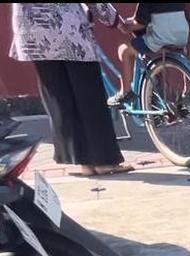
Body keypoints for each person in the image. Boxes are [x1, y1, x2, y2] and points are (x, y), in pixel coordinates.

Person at [9, 3, 131, 176]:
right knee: (90, 97)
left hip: (33, 31)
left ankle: (83, 163)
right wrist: (114, 20)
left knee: (60, 98)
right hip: (67, 30)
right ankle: (104, 161)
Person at [106, 3, 189, 107]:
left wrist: (126, 27)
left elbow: (141, 23)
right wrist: (132, 21)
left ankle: (125, 93)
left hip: (161, 37)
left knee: (124, 50)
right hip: (181, 36)